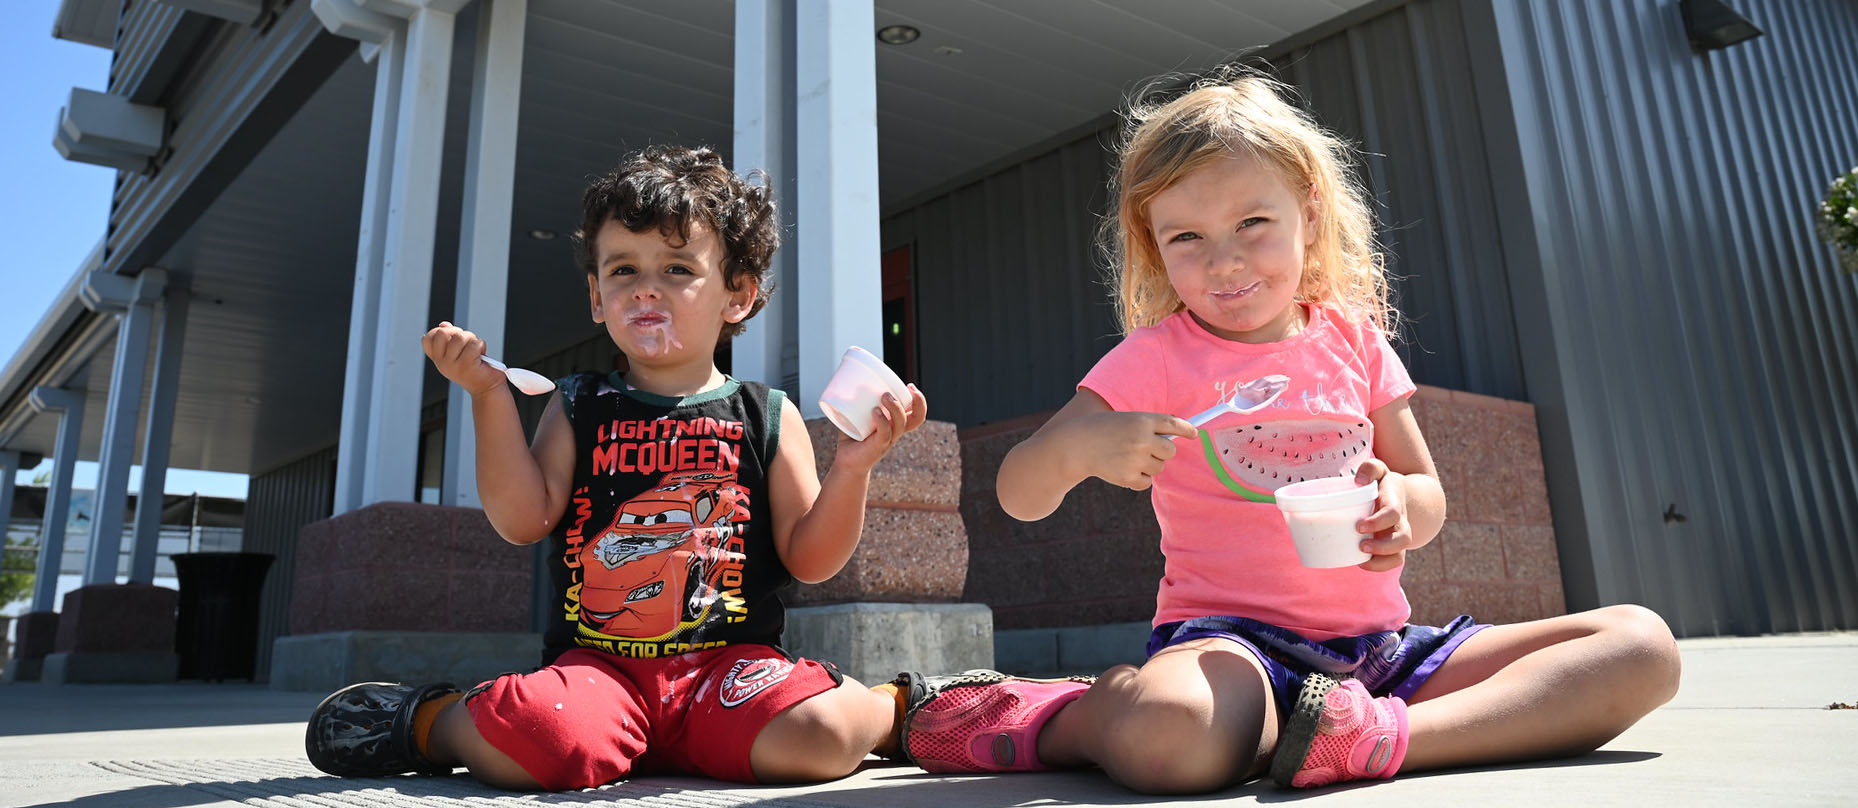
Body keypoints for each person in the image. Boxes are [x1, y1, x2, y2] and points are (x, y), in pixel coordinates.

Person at [897, 72, 1682, 793]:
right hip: (1231, 651)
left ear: (1308, 209)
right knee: (1173, 741)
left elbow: (1427, 490)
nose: (1225, 262)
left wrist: (1402, 508)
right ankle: (1065, 715)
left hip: (1380, 654)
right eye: (1188, 239)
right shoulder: (1154, 357)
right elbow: (1018, 494)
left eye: (1252, 223)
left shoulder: (1356, 341)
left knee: (1641, 648)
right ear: (1153, 243)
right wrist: (1076, 451)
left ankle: (1380, 738)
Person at [304, 145, 930, 790]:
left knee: (819, 739)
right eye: (623, 269)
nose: (646, 287)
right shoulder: (577, 403)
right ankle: (427, 721)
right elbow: (523, 521)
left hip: (731, 671)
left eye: (678, 267)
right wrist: (488, 396)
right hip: (599, 671)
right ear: (598, 297)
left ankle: (898, 709)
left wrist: (853, 468)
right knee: (544, 738)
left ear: (737, 295)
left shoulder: (767, 413)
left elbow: (811, 559)